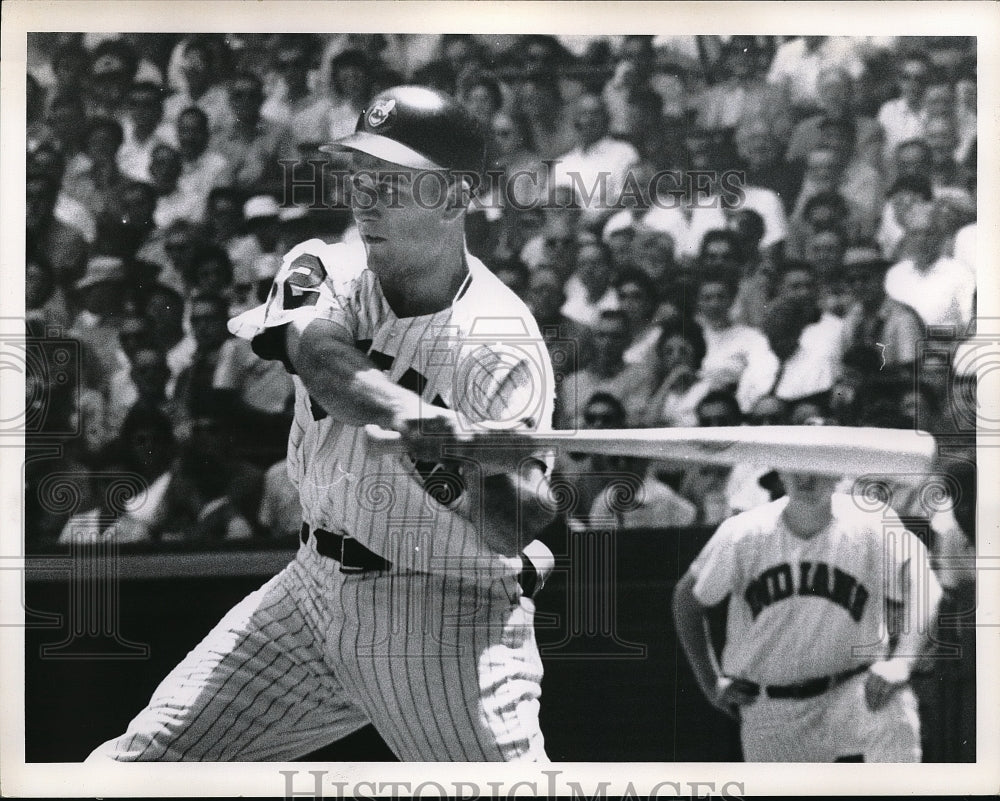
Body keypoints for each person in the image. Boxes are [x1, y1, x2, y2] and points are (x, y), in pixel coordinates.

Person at [89, 85, 557, 762]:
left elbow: (515, 524)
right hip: (309, 593)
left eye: (392, 181)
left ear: (455, 198)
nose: (365, 197)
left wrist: (471, 471)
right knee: (133, 768)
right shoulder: (327, 264)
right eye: (360, 176)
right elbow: (317, 356)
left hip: (439, 613)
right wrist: (412, 413)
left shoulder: (502, 340)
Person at [673, 465, 943, 761]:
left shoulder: (870, 519)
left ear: (839, 471)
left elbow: (925, 584)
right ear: (780, 473)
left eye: (816, 467)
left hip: (852, 690)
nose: (805, 478)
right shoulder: (743, 532)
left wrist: (901, 662)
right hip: (772, 704)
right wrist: (711, 682)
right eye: (795, 467)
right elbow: (687, 599)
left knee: (894, 714)